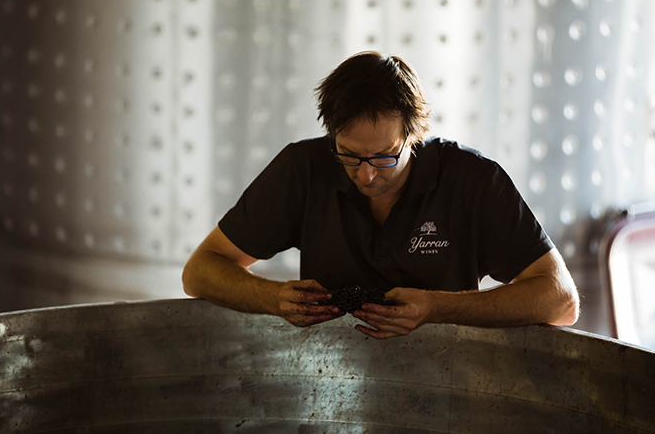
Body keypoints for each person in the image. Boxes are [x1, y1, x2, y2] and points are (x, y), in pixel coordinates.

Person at [182, 51, 579, 339]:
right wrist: (272, 298)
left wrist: (437, 308)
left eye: (385, 157)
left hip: (452, 382)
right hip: (323, 379)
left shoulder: (473, 181)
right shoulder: (305, 167)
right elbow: (199, 270)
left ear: (414, 136)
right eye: (350, 155)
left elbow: (561, 301)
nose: (367, 175)